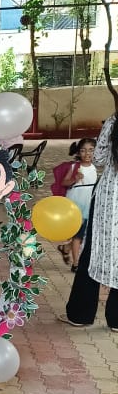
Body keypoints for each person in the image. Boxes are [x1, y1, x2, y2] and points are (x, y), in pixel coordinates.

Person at [62, 116, 118, 330]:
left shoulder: (114, 121)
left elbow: (99, 159)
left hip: (109, 199)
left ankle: (81, 314)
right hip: (108, 199)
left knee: (93, 251)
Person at [56, 138, 98, 271]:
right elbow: (64, 182)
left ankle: (66, 248)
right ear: (78, 152)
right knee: (78, 236)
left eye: (91, 150)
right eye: (83, 150)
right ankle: (76, 264)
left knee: (84, 234)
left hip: (89, 204)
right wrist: (75, 178)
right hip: (77, 205)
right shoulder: (75, 167)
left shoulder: (94, 167)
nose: (87, 153)